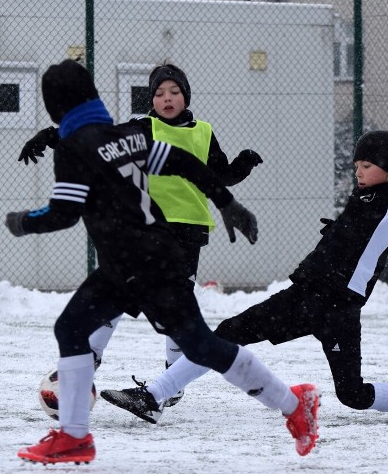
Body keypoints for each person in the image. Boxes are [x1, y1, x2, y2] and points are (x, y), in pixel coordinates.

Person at [9, 60, 319, 464]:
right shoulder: (127, 136)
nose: (166, 99)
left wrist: (21, 222)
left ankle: (296, 406)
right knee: (71, 327)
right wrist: (228, 203)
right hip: (129, 263)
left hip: (152, 264)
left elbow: (62, 214)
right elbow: (182, 163)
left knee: (202, 345)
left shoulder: (77, 148)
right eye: (159, 93)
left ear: (55, 105)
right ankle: (74, 437)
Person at [100, 125, 388, 423]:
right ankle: (155, 397)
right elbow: (361, 233)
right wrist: (339, 234)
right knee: (227, 333)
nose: (358, 171)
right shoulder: (366, 197)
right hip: (305, 296)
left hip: (339, 308)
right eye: (357, 164)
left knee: (353, 395)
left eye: (367, 165)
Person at [18, 63, 264, 409]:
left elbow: (219, 176)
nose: (167, 98)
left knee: (176, 308)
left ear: (185, 96)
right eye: (160, 93)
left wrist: (242, 165)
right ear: (151, 99)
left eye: (174, 92)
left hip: (188, 232)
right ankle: (88, 360)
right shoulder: (141, 128)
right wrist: (52, 135)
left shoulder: (204, 132)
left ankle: (171, 380)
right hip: (142, 227)